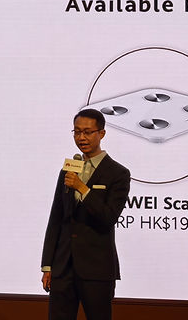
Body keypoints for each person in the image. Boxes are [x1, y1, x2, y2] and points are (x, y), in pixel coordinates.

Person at [41, 108, 131, 320]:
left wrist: (82, 188)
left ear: (102, 133)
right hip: (63, 267)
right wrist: (47, 264)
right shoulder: (68, 169)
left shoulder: (118, 173)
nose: (81, 137)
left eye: (88, 132)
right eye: (77, 131)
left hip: (97, 269)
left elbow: (109, 217)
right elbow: (56, 218)